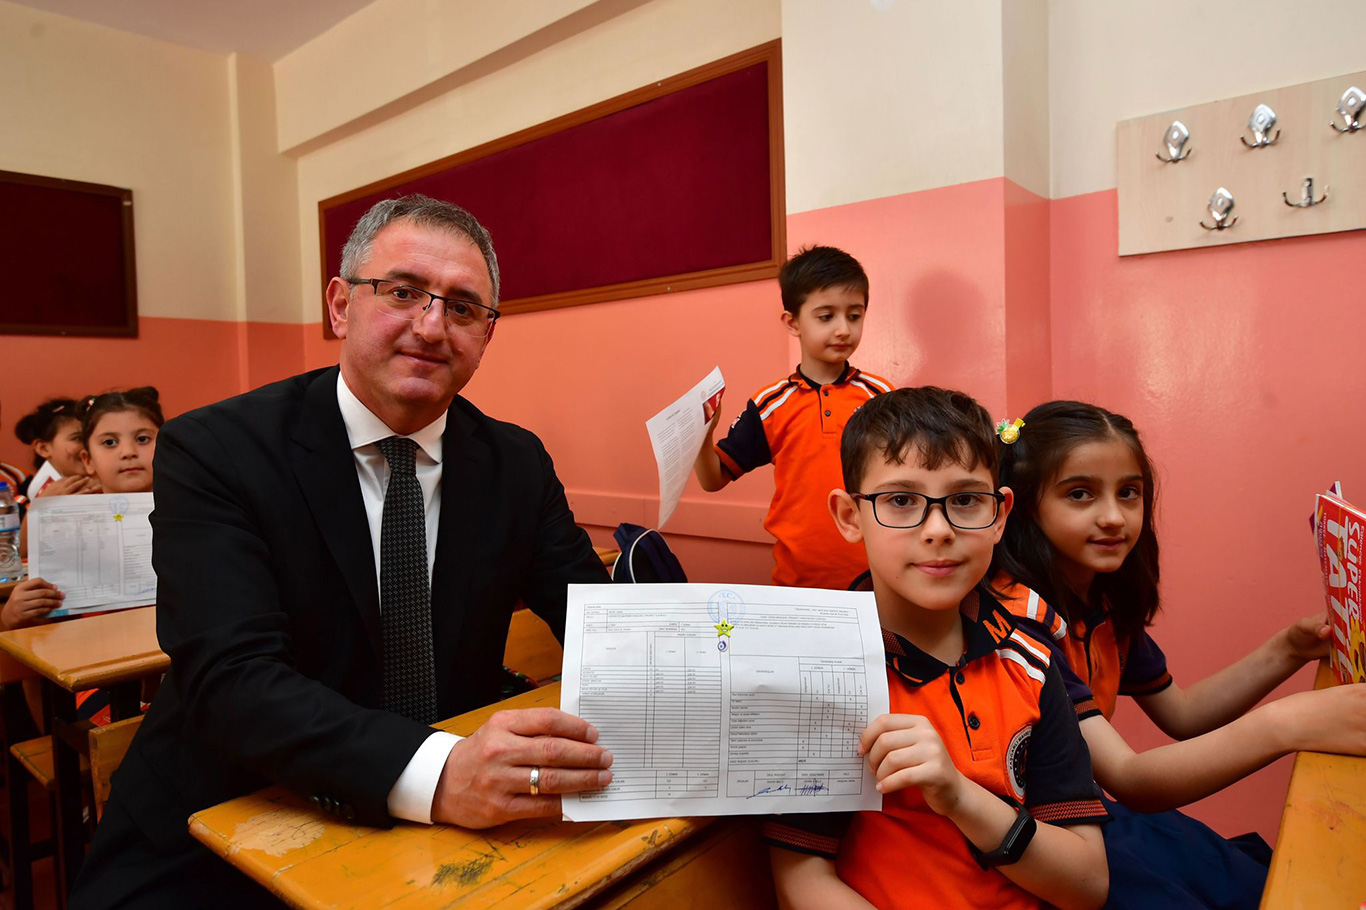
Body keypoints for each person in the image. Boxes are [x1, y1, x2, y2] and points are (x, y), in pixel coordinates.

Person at [70, 195, 614, 908]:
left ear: (486, 335)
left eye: (462, 308)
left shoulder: (516, 461)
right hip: (228, 825)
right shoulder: (216, 449)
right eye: (402, 292)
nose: (431, 326)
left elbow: (598, 620)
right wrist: (440, 776)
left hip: (440, 844)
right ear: (339, 306)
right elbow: (231, 680)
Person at [990, 400, 1366, 909]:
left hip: (1102, 817)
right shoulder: (1018, 622)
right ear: (1021, 506)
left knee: (1257, 885)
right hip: (1050, 841)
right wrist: (1288, 724)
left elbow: (1183, 713)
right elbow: (1131, 779)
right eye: (1080, 494)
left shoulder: (1099, 602)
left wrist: (1288, 648)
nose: (1114, 517)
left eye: (1129, 493)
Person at [764, 387, 1109, 910]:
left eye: (965, 500)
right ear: (850, 516)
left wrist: (960, 797)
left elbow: (1087, 885)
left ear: (1000, 514)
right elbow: (801, 882)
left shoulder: (1032, 663)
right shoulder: (821, 677)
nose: (938, 530)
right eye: (901, 501)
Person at [693, 245, 892, 590]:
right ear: (792, 322)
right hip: (797, 584)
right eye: (826, 317)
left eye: (854, 316)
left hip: (879, 581)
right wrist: (701, 434)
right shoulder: (770, 404)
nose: (843, 329)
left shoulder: (883, 397)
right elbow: (714, 479)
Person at [4, 389, 162, 631]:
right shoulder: (63, 525)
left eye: (143, 439)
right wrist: (13, 617)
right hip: (90, 645)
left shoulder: (196, 509)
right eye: (109, 442)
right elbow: (49, 625)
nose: (128, 452)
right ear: (88, 460)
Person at [14, 397, 91, 500]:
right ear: (43, 448)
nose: (89, 446)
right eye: (77, 438)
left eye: (93, 437)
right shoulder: (49, 492)